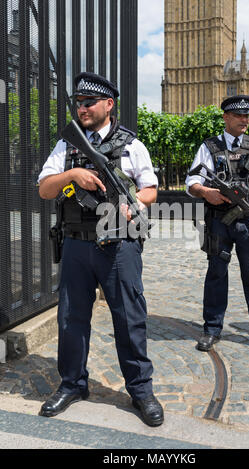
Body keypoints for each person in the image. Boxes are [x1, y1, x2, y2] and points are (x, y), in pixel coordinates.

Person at [37, 72, 164, 427]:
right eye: (78, 103)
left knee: (129, 318)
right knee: (71, 318)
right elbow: (45, 189)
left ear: (109, 104)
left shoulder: (130, 145)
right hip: (77, 244)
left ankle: (140, 390)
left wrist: (134, 202)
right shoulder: (68, 145)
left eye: (89, 103)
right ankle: (72, 384)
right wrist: (72, 176)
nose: (82, 108)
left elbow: (151, 188)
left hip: (119, 246)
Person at [185, 95, 249, 355]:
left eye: (247, 115)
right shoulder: (209, 148)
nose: (244, 120)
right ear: (225, 117)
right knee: (216, 274)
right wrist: (207, 193)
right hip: (219, 222)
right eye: (239, 115)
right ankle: (212, 329)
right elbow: (191, 183)